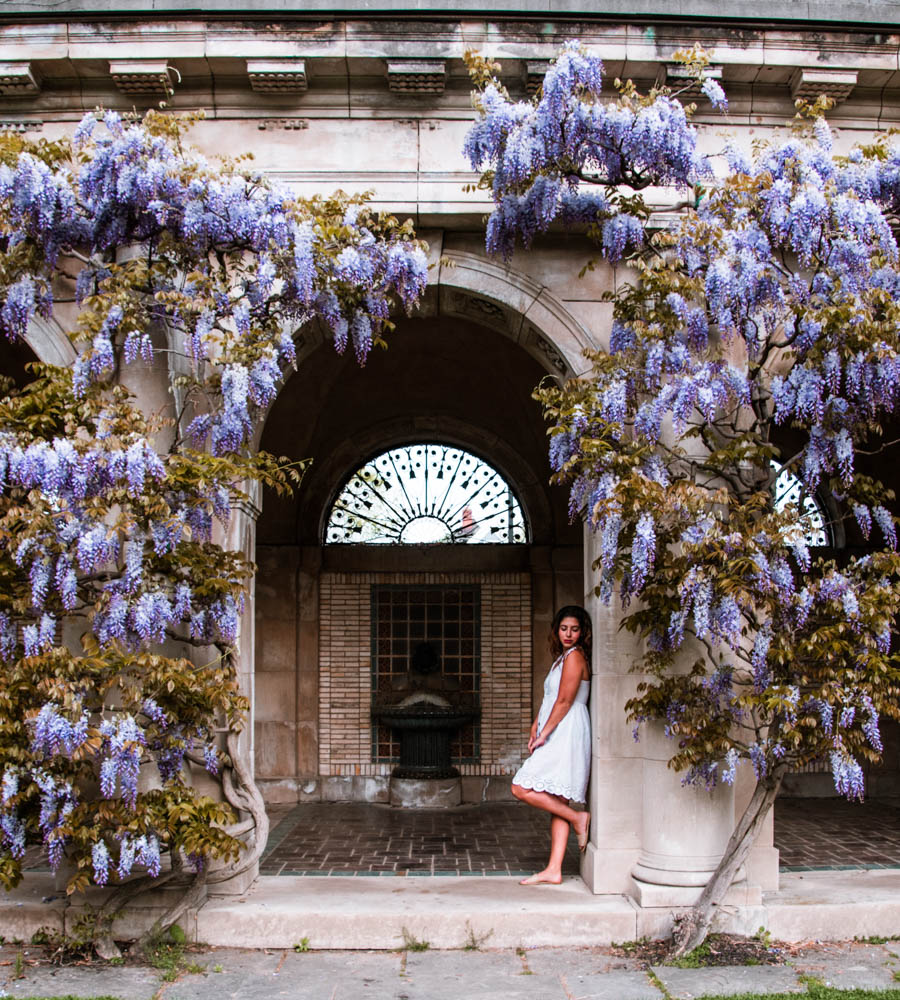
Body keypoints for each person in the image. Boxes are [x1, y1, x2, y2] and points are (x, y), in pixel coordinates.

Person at [511, 605, 592, 885]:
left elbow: (565, 701)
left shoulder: (575, 656)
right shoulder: (562, 658)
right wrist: (536, 724)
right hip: (556, 725)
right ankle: (554, 869)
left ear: (583, 632)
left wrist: (545, 732)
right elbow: (550, 698)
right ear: (556, 631)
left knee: (520, 787)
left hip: (566, 729)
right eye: (564, 629)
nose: (569, 634)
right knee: (556, 798)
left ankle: (578, 819)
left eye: (575, 629)